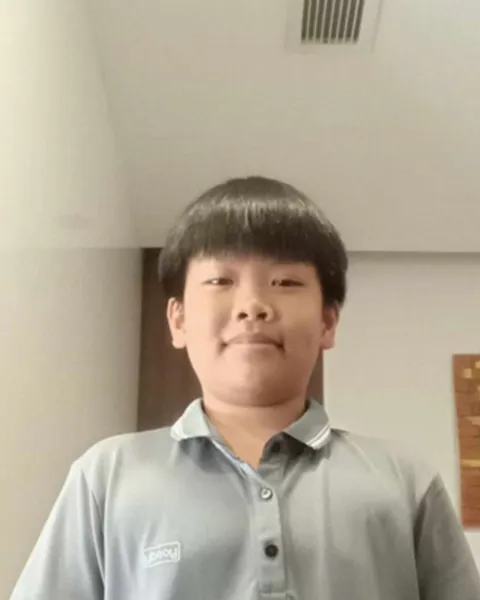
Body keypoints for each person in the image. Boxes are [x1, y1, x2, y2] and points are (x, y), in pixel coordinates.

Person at [10, 176, 480, 600]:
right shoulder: (108, 476)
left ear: (327, 322)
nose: (253, 305)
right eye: (220, 280)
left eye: (285, 281)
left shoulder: (404, 481)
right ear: (178, 320)